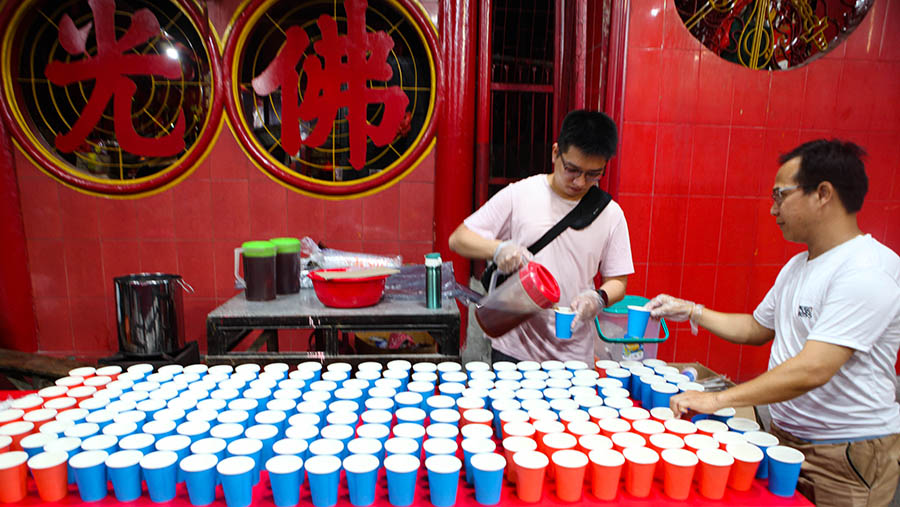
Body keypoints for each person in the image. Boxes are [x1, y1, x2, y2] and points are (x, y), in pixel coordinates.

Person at [647, 139, 900, 507]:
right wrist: (692, 311)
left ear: (823, 194)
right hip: (787, 440)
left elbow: (813, 369)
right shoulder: (799, 266)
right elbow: (756, 328)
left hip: (844, 452)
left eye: (780, 195)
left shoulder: (866, 270)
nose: (772, 209)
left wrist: (716, 399)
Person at [448, 110, 634, 364]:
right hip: (514, 346)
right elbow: (458, 239)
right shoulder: (521, 194)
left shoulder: (611, 214)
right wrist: (498, 249)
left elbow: (618, 282)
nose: (580, 182)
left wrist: (598, 298)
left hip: (573, 354)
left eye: (593, 174)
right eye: (572, 169)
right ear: (556, 153)